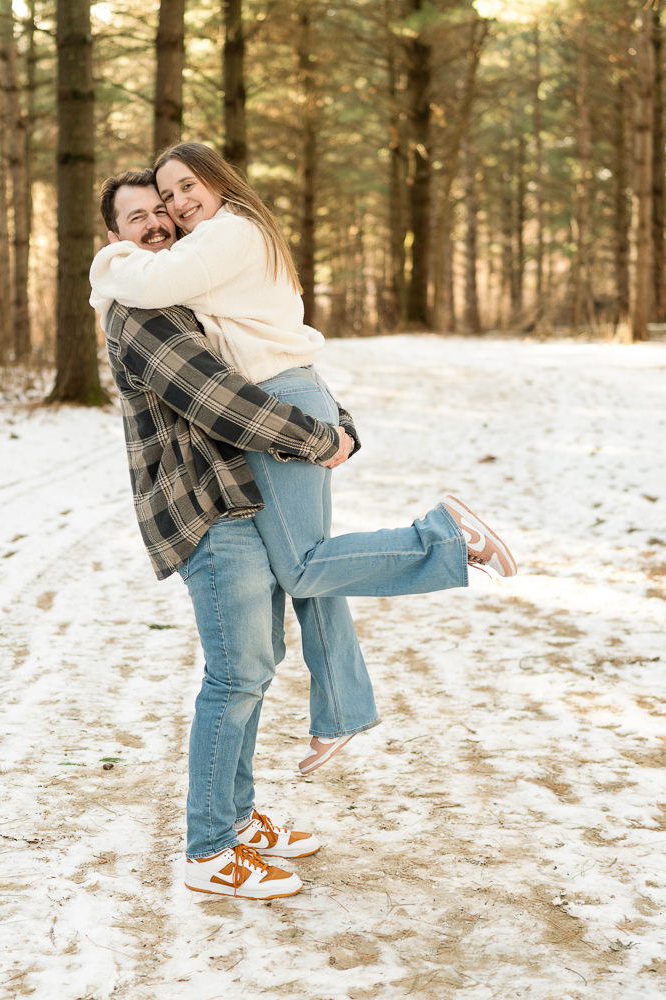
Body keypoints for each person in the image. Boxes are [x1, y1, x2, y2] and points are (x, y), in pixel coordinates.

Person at [90, 143, 517, 767]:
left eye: (183, 190)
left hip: (278, 405)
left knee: (305, 565)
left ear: (217, 181)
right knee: (313, 564)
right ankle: (341, 709)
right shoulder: (211, 242)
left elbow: (153, 284)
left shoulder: (225, 234)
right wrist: (330, 418)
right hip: (290, 397)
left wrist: (108, 260)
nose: (176, 207)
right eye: (161, 200)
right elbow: (274, 339)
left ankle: (447, 537)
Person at [96, 171, 352, 900]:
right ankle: (209, 850)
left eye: (161, 211)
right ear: (115, 237)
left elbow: (269, 366)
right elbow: (224, 401)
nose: (155, 222)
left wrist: (339, 428)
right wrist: (317, 438)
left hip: (241, 497)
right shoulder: (138, 313)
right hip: (203, 510)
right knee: (235, 672)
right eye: (135, 216)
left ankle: (235, 820)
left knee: (255, 664)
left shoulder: (187, 297)